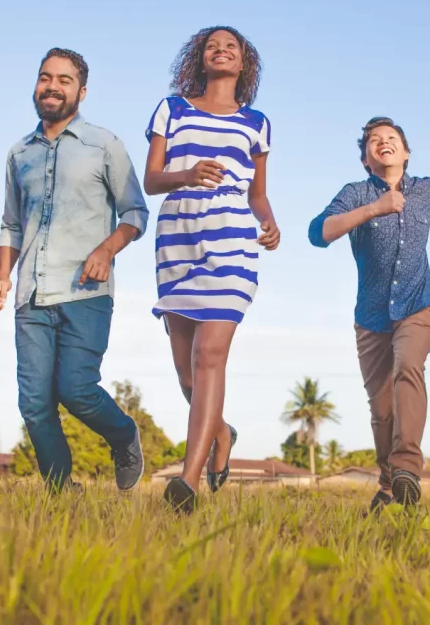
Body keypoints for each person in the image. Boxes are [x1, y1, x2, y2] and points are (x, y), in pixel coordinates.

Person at [0, 48, 149, 493]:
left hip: (86, 292)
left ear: (81, 90)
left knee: (76, 389)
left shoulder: (104, 144)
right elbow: (11, 223)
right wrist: (3, 277)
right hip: (31, 295)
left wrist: (108, 249)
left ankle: (123, 435)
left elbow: (136, 211)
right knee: (35, 403)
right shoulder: (19, 153)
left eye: (64, 79)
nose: (52, 86)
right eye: (45, 77)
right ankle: (62, 493)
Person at [143, 26, 280, 512]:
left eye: (232, 47)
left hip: (231, 240)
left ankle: (189, 481)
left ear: (244, 64)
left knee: (209, 359)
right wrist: (186, 174)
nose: (221, 51)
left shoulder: (257, 122)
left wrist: (268, 223)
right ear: (200, 59)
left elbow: (257, 193)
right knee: (186, 376)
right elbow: (151, 179)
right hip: (177, 237)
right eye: (212, 46)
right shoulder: (172, 109)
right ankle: (222, 433)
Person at [309, 117, 430, 511]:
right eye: (374, 141)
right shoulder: (356, 193)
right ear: (366, 159)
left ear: (405, 152)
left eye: (391, 138)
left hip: (418, 305)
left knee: (409, 366)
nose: (383, 143)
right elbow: (318, 233)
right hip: (371, 315)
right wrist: (373, 209)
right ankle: (390, 486)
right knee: (381, 408)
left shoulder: (427, 190)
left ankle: (407, 467)